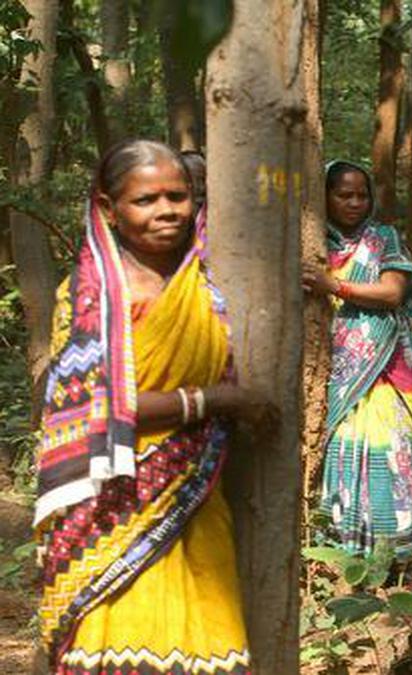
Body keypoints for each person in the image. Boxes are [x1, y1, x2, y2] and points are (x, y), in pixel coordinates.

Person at [34, 139, 272, 672]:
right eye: (145, 200)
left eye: (178, 196)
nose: (167, 210)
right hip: (113, 505)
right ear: (107, 208)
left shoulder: (216, 282)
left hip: (197, 496)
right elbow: (94, 407)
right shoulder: (88, 299)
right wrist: (214, 400)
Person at [301, 160, 412, 556]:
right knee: (339, 448)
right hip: (335, 370)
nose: (355, 202)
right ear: (324, 197)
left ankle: (393, 551)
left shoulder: (384, 238)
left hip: (386, 369)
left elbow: (392, 292)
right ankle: (344, 551)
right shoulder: (312, 242)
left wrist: (333, 285)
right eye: (343, 195)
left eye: (362, 195)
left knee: (392, 449)